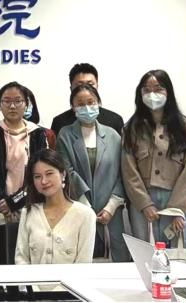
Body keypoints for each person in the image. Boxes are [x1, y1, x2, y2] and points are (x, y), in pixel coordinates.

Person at [0, 82, 53, 267]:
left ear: (26, 104)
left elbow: (41, 173)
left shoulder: (38, 134)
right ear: (0, 105)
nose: (12, 106)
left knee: (30, 260)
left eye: (18, 101)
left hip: (31, 207)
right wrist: (1, 202)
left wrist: (14, 201)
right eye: (7, 101)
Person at [121, 69, 186, 249]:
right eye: (146, 90)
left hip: (178, 198)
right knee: (146, 251)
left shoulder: (184, 126)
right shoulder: (131, 128)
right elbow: (128, 170)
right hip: (144, 200)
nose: (152, 94)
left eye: (158, 89)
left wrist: (178, 208)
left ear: (168, 91)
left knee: (180, 252)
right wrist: (144, 204)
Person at [55, 83, 130, 262]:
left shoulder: (113, 136)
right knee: (79, 257)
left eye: (91, 102)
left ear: (99, 103)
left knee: (116, 260)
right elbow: (67, 171)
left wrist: (111, 206)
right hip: (77, 208)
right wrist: (84, 205)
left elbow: (123, 174)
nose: (87, 108)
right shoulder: (65, 135)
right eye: (80, 104)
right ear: (73, 107)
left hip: (111, 213)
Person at [15, 149, 96, 264]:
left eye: (49, 174)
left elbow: (83, 264)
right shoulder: (28, 213)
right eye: (37, 176)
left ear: (63, 174)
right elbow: (21, 259)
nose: (44, 181)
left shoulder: (85, 215)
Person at [50, 63, 125, 134]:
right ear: (71, 89)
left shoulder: (114, 121)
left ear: (97, 86)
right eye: (80, 85)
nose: (85, 89)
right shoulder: (59, 123)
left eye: (90, 84)